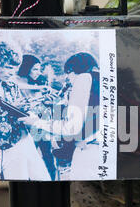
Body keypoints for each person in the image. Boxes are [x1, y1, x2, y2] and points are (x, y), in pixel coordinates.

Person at [19, 52, 100, 180]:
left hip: (88, 150)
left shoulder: (83, 78)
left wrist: (35, 122)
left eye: (68, 73)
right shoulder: (99, 79)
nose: (67, 79)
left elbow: (71, 127)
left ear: (73, 70)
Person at [0, 41, 50, 181]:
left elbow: (22, 109)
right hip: (6, 149)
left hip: (25, 139)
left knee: (45, 179)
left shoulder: (11, 85)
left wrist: (33, 108)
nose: (12, 72)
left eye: (15, 68)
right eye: (8, 67)